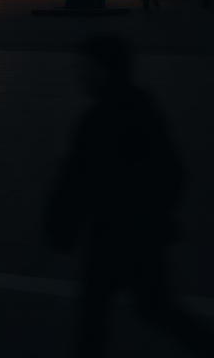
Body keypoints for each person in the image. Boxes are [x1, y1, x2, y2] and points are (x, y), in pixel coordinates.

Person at [44, 35, 211, 356]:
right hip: (143, 234)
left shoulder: (96, 120)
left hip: (111, 235)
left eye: (87, 68)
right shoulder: (143, 107)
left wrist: (60, 226)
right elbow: (172, 172)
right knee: (153, 306)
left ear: (102, 70)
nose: (81, 74)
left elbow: (76, 179)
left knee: (96, 314)